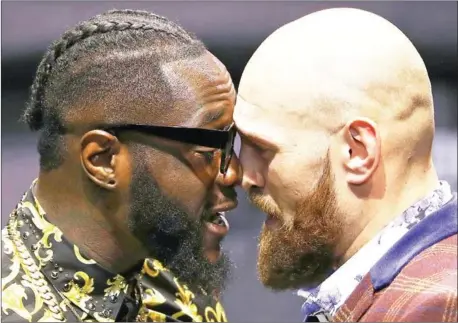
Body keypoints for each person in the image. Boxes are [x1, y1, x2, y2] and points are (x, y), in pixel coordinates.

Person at [2, 9, 241, 322]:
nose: (236, 172)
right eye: (211, 146)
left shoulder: (183, 295)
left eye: (232, 140)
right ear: (102, 160)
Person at [234, 7, 457, 322]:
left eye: (263, 149)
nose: (245, 175)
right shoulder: (403, 295)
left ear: (358, 152)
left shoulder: (431, 311)